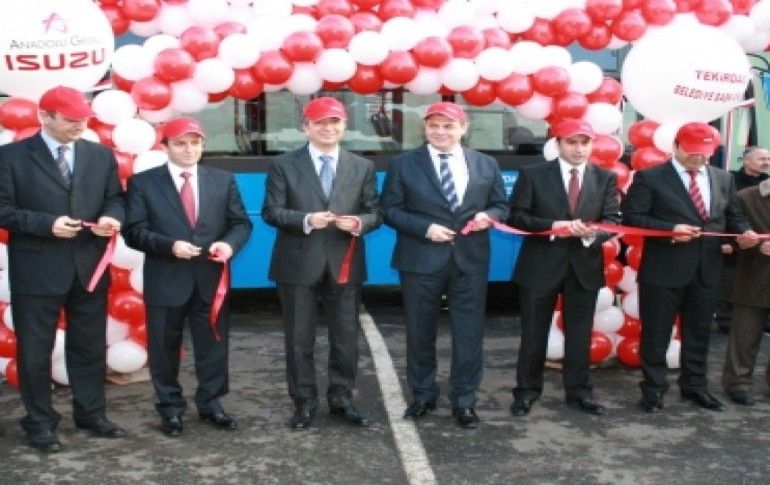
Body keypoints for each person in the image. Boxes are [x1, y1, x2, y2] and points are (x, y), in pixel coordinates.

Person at [0, 85, 125, 452]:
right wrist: (46, 224)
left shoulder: (100, 155)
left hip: (89, 266)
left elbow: (116, 198)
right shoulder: (10, 157)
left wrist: (111, 217)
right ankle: (39, 422)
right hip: (36, 269)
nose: (79, 126)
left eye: (84, 119)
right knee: (35, 350)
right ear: (44, 116)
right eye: (71, 120)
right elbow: (3, 209)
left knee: (89, 345)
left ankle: (91, 413)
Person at [381, 102, 508, 428]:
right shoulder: (403, 164)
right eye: (433, 125)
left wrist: (489, 216)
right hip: (420, 259)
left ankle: (464, 401)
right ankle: (423, 395)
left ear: (463, 128)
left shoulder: (486, 164)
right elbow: (389, 209)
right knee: (419, 332)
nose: (440, 131)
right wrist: (425, 229)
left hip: (470, 261)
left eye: (448, 126)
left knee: (469, 334)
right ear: (425, 128)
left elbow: (501, 205)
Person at [123, 117, 252, 437]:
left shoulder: (222, 180)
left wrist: (228, 244)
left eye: (195, 143)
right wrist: (169, 246)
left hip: (210, 278)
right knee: (164, 348)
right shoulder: (143, 183)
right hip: (165, 278)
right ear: (165, 146)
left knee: (213, 345)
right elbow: (133, 231)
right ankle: (170, 408)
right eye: (180, 143)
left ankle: (211, 403)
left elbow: (240, 223)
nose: (189, 149)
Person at [622, 122, 758, 413]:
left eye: (705, 152)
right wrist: (669, 229)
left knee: (699, 333)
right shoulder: (651, 177)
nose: (699, 157)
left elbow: (733, 217)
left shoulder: (722, 178)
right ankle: (653, 389)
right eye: (692, 151)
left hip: (707, 270)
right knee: (656, 334)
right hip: (663, 270)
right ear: (675, 146)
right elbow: (632, 217)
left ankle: (695, 386)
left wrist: (744, 233)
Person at [263, 97, 380, 430]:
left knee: (345, 338)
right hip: (297, 264)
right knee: (299, 339)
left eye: (334, 122)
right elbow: (271, 211)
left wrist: (359, 223)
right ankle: (304, 402)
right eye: (320, 123)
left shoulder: (362, 166)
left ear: (344, 126)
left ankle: (341, 399)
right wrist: (306, 220)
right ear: (306, 127)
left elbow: (375, 211)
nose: (328, 128)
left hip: (345, 263)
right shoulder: (283, 165)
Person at [508, 119, 621, 417]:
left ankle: (579, 392)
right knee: (533, 334)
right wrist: (552, 226)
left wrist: (593, 234)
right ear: (557, 144)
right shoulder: (533, 174)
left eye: (585, 143)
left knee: (580, 335)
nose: (579, 149)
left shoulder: (605, 178)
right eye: (572, 142)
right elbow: (516, 216)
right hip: (540, 266)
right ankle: (526, 392)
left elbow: (612, 220)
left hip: (584, 267)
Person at [721, 177, 770, 405]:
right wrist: (744, 242)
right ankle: (737, 383)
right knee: (744, 335)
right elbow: (727, 233)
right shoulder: (746, 197)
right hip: (753, 277)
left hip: (753, 277)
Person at [714, 146, 770, 331]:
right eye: (761, 158)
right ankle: (725, 320)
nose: (766, 162)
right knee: (729, 282)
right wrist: (725, 241)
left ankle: (762, 321)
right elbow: (723, 214)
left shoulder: (767, 182)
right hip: (735, 239)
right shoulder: (730, 180)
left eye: (768, 159)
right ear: (746, 160)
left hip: (760, 243)